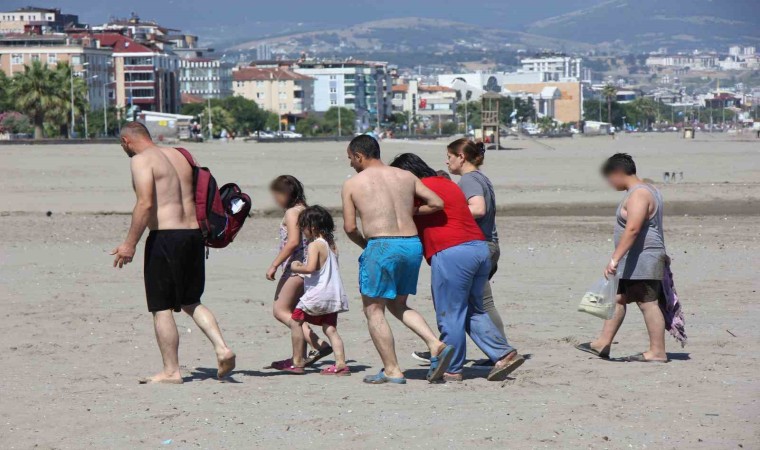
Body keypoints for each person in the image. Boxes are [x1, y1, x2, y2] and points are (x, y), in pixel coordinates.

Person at [111, 121, 235, 384]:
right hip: (194, 235)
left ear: (126, 141)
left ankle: (171, 371)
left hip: (166, 237)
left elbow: (144, 204)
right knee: (191, 301)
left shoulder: (142, 160)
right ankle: (222, 347)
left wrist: (130, 244)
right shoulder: (182, 155)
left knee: (162, 307)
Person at [390, 153, 525, 382]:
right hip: (479, 248)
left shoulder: (418, 188)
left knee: (450, 313)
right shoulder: (446, 183)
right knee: (474, 309)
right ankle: (503, 353)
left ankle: (452, 368)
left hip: (452, 252)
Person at [341, 135, 453, 384]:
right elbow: (437, 203)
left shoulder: (353, 184)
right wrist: (410, 211)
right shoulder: (406, 176)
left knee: (374, 309)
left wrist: (366, 246)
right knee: (398, 304)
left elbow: (349, 227)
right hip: (411, 244)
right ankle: (435, 343)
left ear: (359, 156)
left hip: (381, 244)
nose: (350, 164)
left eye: (350, 158)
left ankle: (391, 369)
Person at [576, 153, 669, 362]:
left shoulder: (640, 194)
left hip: (643, 257)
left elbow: (633, 228)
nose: (609, 183)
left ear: (618, 173)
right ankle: (603, 343)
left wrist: (614, 258)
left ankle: (657, 351)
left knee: (648, 303)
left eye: (609, 178)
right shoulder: (644, 190)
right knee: (618, 298)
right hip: (635, 258)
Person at [266, 176, 332, 369]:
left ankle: (318, 344)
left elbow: (293, 242)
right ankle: (299, 356)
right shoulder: (306, 210)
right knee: (296, 311)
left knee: (281, 311)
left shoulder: (292, 212)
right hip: (311, 268)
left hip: (296, 268)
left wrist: (275, 265)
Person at [277, 206, 351, 375]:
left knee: (296, 321)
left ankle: (297, 362)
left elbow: (310, 268)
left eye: (303, 227)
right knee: (330, 329)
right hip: (334, 294)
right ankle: (341, 364)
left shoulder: (314, 245)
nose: (302, 231)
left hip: (318, 293)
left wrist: (297, 266)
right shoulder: (332, 245)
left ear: (312, 227)